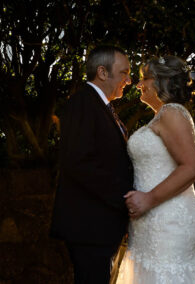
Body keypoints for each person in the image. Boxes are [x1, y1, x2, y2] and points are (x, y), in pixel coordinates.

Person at [116, 55, 195, 283]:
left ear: (161, 81)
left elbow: (192, 166)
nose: (139, 84)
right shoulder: (160, 117)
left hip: (168, 219)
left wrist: (149, 199)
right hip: (151, 221)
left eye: (145, 79)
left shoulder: (172, 113)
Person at [50, 45, 134, 284]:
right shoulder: (82, 104)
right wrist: (125, 197)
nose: (128, 80)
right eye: (124, 73)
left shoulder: (101, 106)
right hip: (89, 226)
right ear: (102, 72)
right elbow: (79, 163)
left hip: (99, 225)